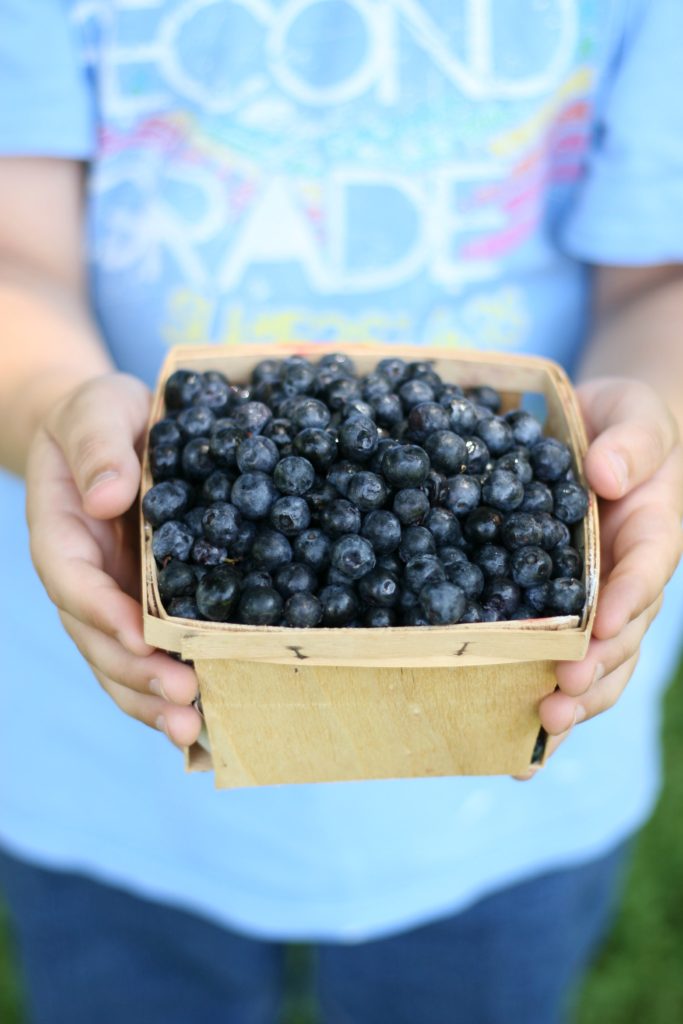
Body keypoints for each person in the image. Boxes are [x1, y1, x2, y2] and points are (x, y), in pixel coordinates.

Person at [1, 1, 682, 1021]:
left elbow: (659, 277)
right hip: (115, 729)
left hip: (500, 765)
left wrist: (648, 423)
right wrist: (56, 407)